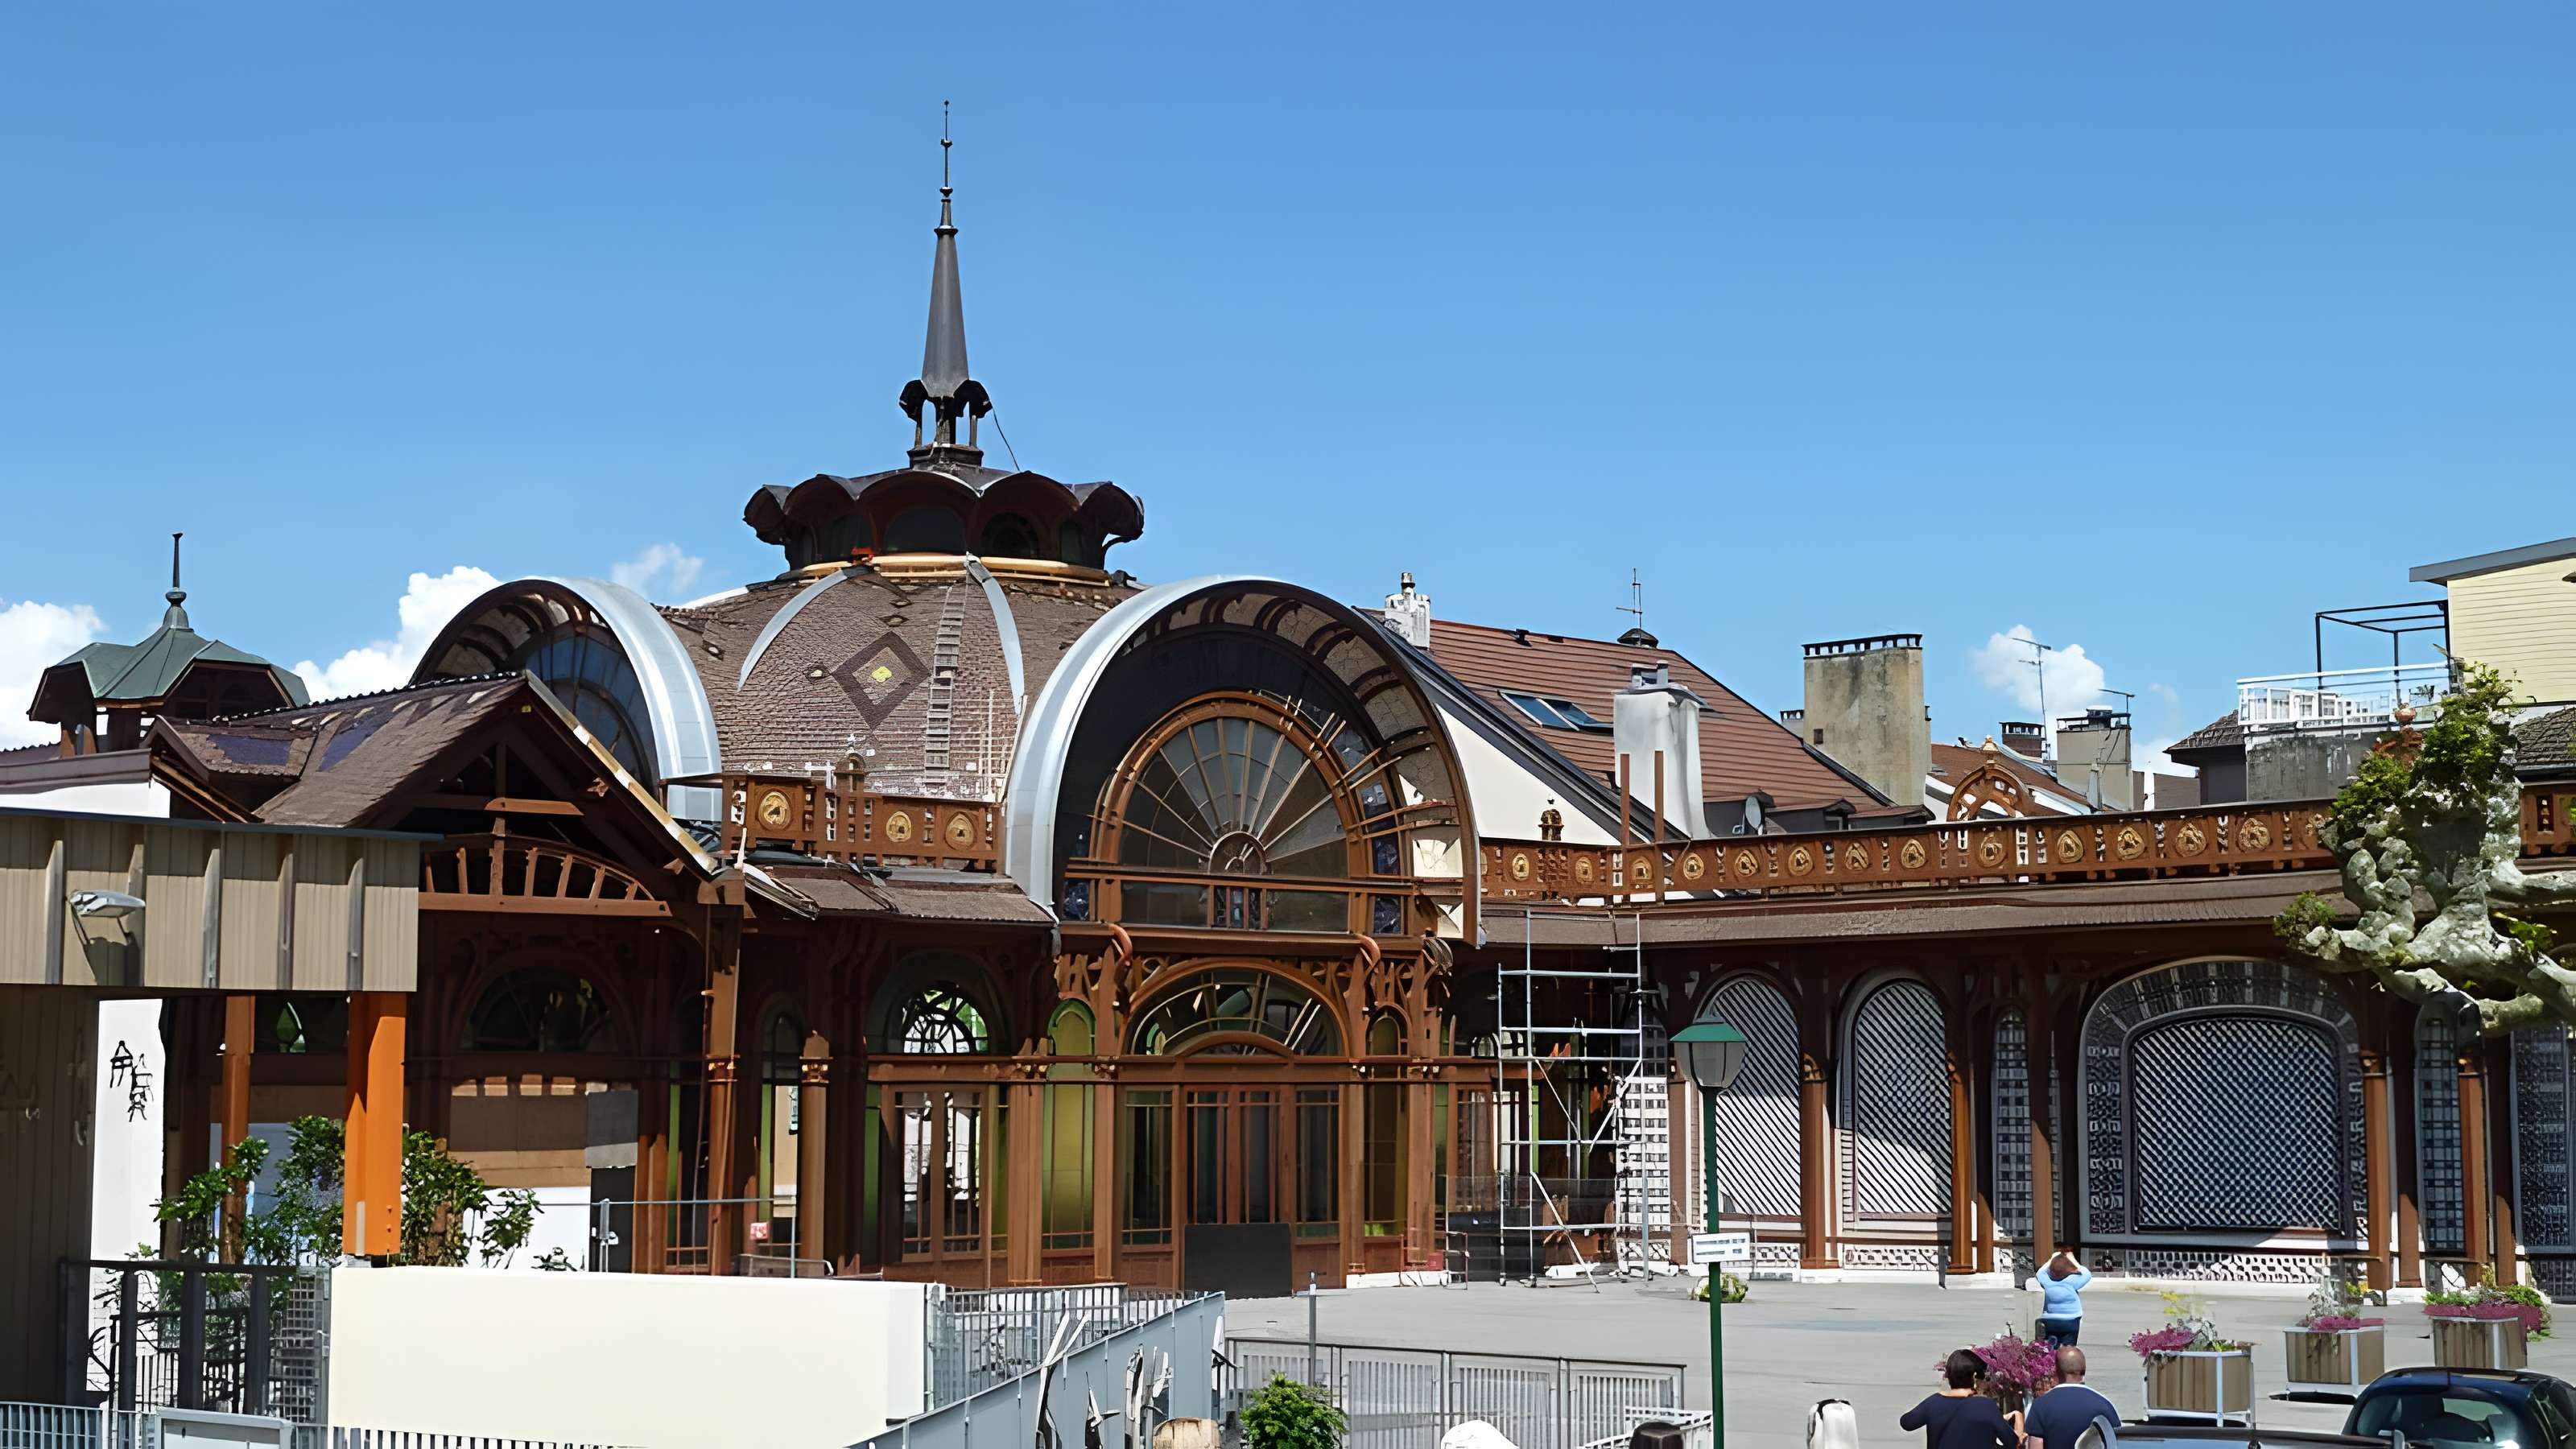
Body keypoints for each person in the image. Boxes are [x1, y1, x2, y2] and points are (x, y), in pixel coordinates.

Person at [1901, 1349, 2017, 1449]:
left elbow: (1907, 1423)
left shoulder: (1934, 1402)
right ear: (1974, 1376)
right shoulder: (1986, 1406)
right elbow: (2012, 1442)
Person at [2023, 1348, 2120, 1449]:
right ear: (2084, 1370)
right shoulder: (2105, 1405)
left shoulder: (2040, 1406)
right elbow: (2116, 1442)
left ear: (2057, 1371)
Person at [2032, 1251, 2091, 1346]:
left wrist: (2052, 1258)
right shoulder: (2072, 1282)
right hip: (2071, 1320)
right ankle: (2065, 1357)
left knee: (2049, 1349)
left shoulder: (2047, 1282)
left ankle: (2052, 1352)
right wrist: (2072, 1260)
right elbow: (2087, 1274)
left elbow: (2039, 1273)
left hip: (2049, 1320)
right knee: (2068, 1348)